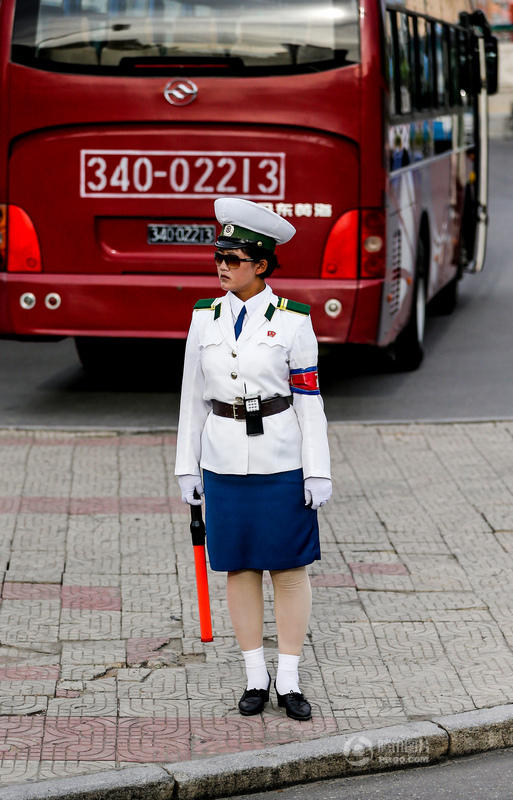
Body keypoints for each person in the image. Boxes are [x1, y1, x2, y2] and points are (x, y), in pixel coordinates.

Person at [175, 197, 332, 721]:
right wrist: (186, 466)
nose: (222, 267)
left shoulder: (293, 322)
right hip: (223, 460)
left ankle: (289, 678)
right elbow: (191, 398)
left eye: (234, 259)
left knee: (288, 570)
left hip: (281, 458)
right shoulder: (205, 318)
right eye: (219, 257)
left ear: (261, 265)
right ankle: (254, 676)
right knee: (238, 568)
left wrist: (318, 469)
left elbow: (309, 401)